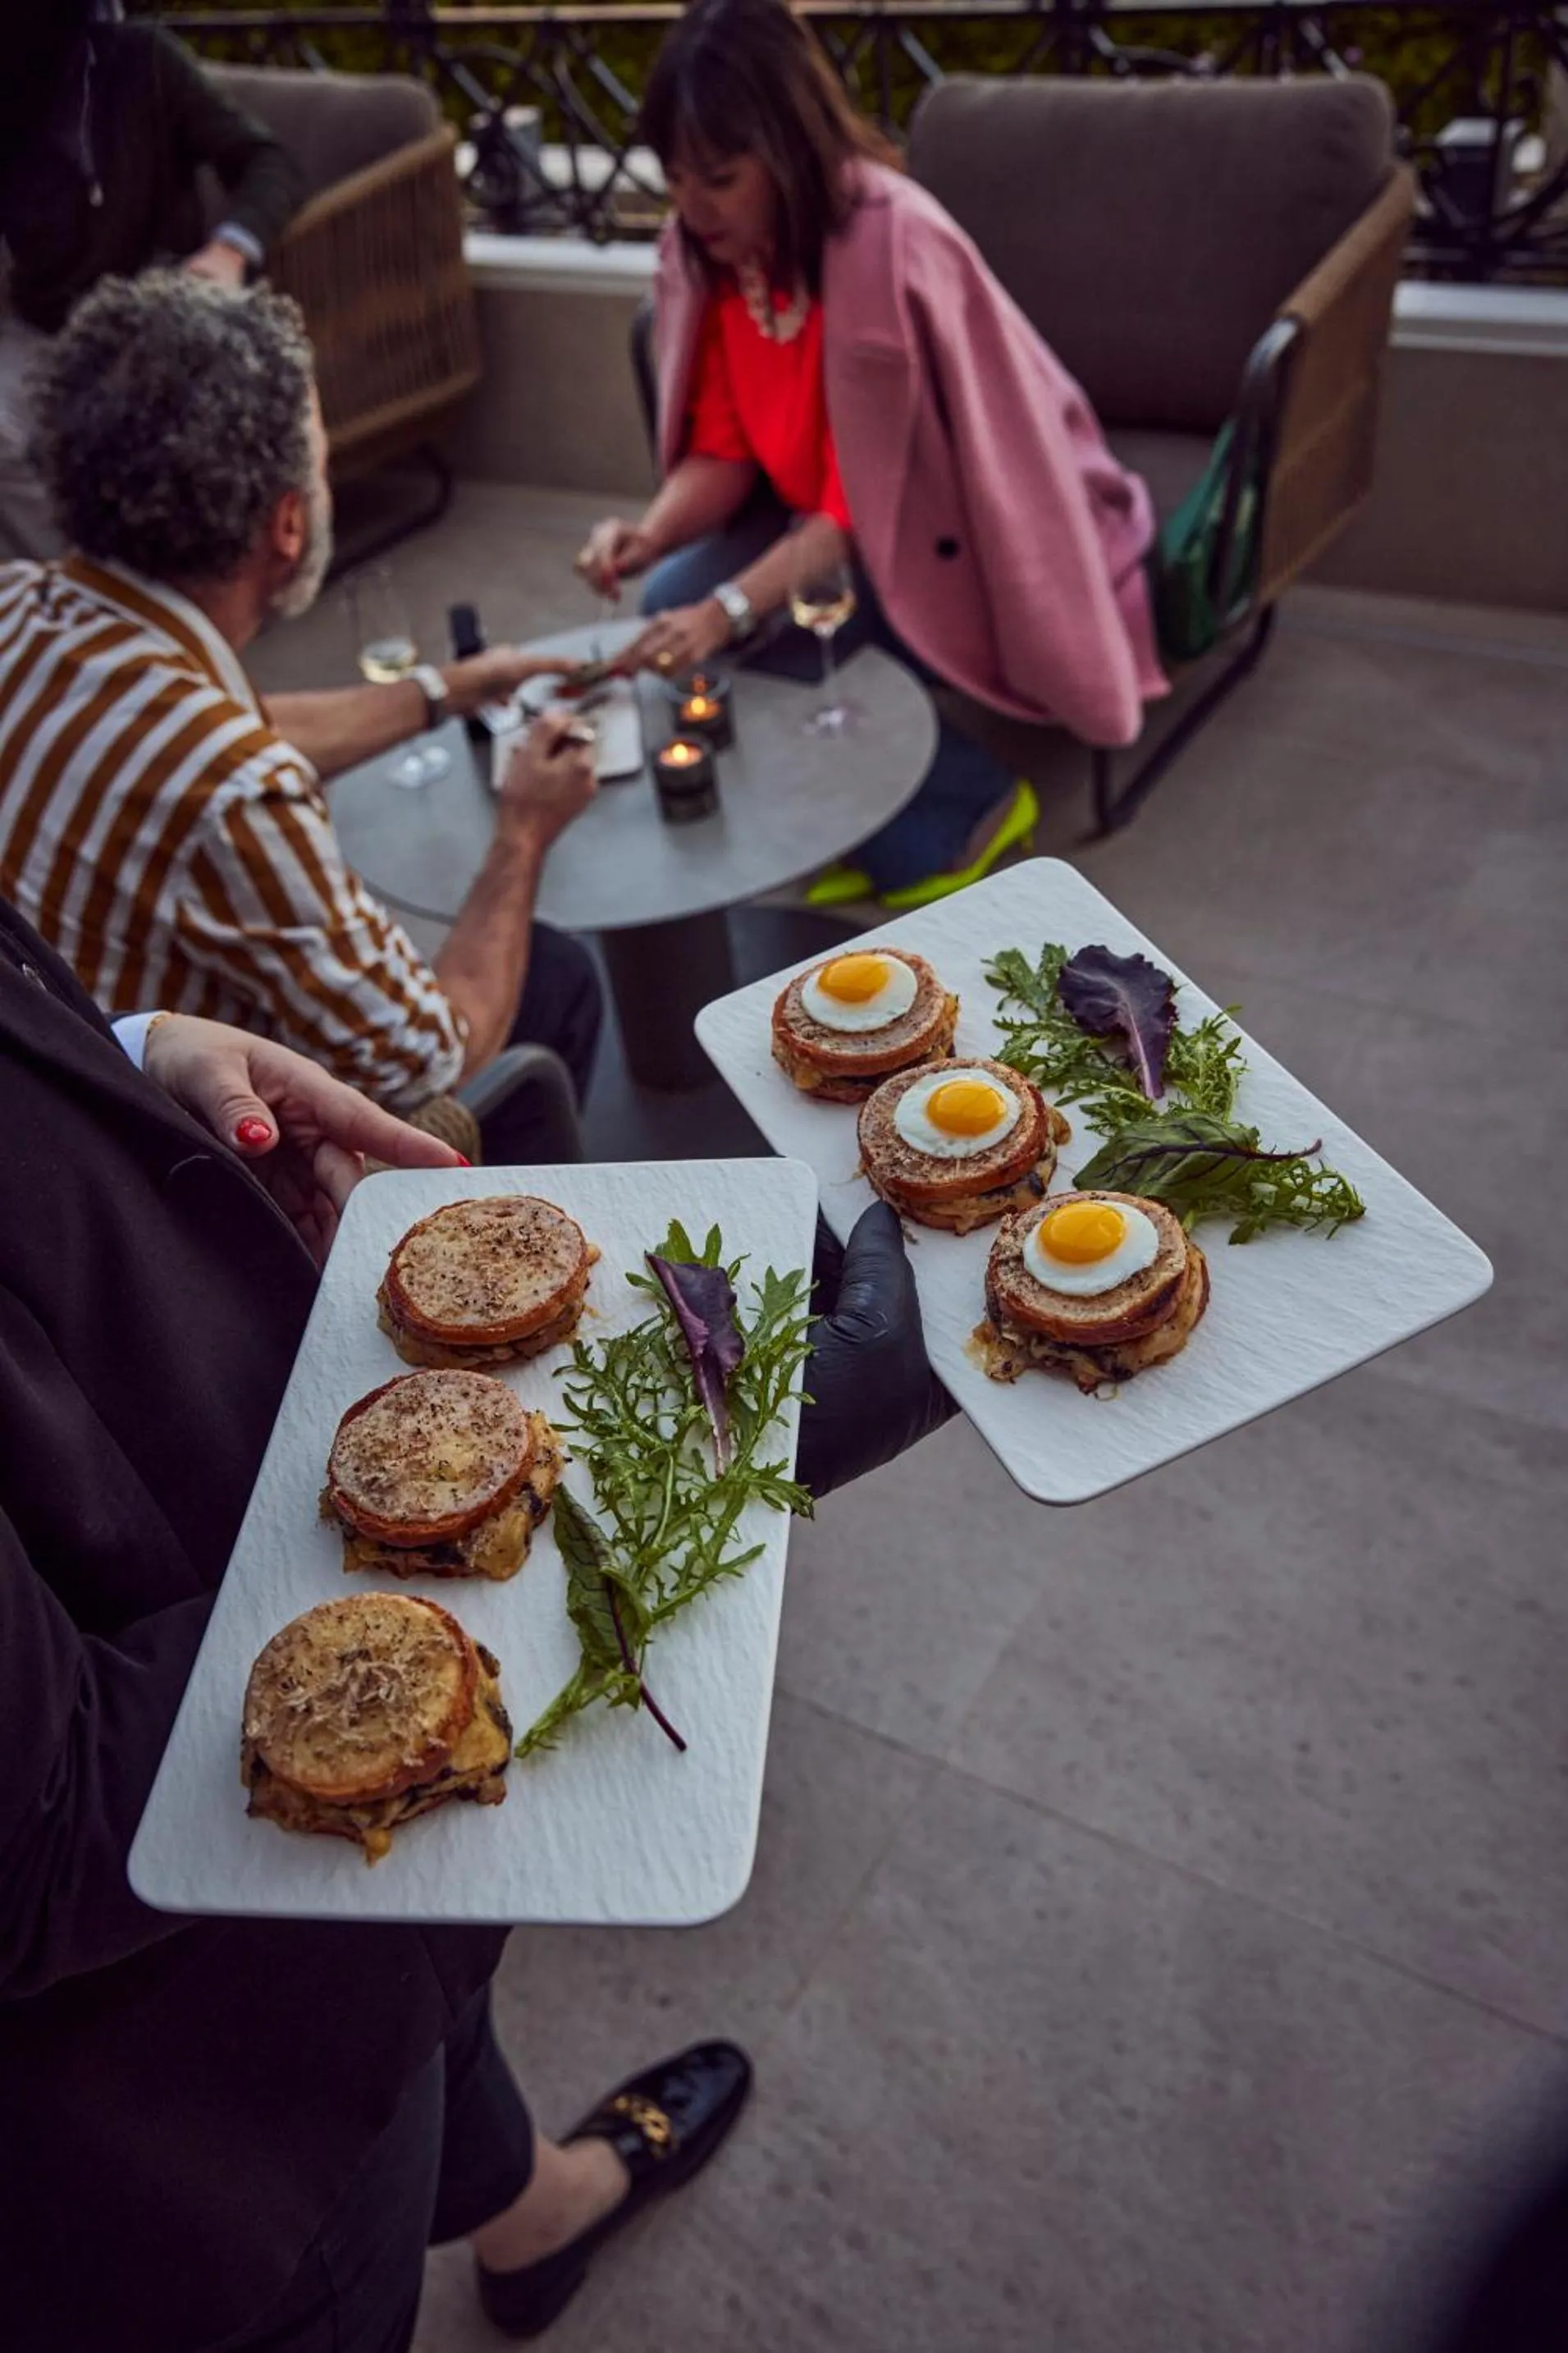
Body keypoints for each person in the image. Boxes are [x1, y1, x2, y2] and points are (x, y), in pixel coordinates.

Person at [0, 882, 950, 2351]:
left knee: (435, 1996)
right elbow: (34, 1821)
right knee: (348, 2209)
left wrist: (126, 1057)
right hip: (188, 2108)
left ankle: (531, 2207)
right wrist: (700, 1473)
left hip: (280, 1635)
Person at [0, 269, 602, 1165]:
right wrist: (523, 829)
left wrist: (446, 689)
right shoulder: (238, 790)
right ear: (288, 522)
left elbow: (225, 726)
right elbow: (434, 1054)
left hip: (52, 1106)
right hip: (197, 1163)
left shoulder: (22, 606)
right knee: (560, 975)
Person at [578, 0, 1169, 909]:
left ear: (786, 150)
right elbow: (726, 455)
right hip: (826, 530)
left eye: (721, 178)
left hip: (948, 532)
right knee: (667, 604)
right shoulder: (710, 260)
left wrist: (733, 605)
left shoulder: (895, 240)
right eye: (677, 178)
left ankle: (965, 809)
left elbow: (872, 501)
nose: (692, 209)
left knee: (757, 640)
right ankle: (862, 796)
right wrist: (649, 533)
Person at [0, 3, 305, 559]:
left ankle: (126, 600)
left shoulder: (142, 62)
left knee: (146, 437)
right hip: (43, 328)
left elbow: (268, 160)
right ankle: (74, 596)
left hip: (149, 313)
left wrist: (228, 252)